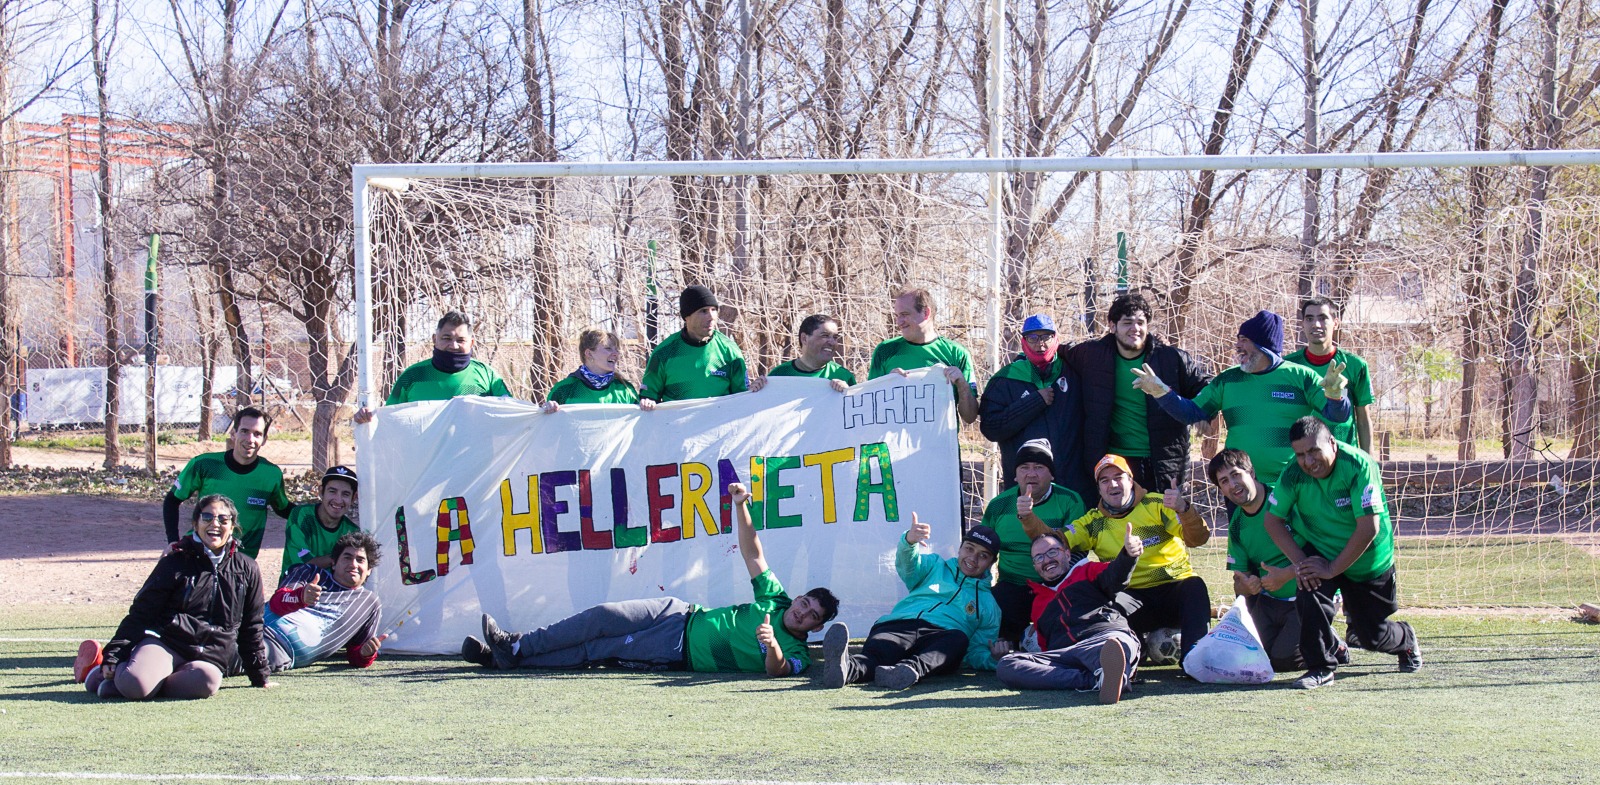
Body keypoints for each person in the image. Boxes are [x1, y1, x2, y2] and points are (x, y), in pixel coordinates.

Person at [463, 482, 837, 675]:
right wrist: (741, 507)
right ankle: (515, 646)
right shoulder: (778, 599)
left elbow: (779, 671)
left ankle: (502, 661)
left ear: (816, 629)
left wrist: (771, 644)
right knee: (602, 615)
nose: (802, 612)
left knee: (597, 650)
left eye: (811, 616)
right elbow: (753, 552)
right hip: (678, 614)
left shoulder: (799, 650)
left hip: (677, 653)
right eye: (805, 603)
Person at [1264, 417, 1420, 689]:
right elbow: (1272, 521)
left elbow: (1368, 527)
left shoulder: (1358, 465)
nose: (1308, 461)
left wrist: (1333, 568)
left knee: (1369, 635)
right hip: (1322, 550)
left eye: (1314, 451)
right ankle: (1320, 667)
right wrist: (1302, 564)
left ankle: (1405, 639)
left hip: (1367, 559)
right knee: (1309, 590)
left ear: (1332, 443)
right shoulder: (1292, 473)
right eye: (1300, 455)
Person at [78, 495, 273, 699]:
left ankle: (119, 684)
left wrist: (260, 675)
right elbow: (142, 612)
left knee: (208, 682)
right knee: (135, 684)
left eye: (223, 520)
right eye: (207, 518)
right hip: (168, 643)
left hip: (209, 655)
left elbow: (252, 626)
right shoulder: (176, 562)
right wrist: (115, 653)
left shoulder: (248, 568)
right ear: (195, 524)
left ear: (232, 527)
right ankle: (110, 674)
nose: (215, 524)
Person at [1133, 309, 1352, 484]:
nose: (1238, 345)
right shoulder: (1228, 379)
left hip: (1292, 484)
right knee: (1245, 540)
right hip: (1241, 486)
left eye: (1244, 339)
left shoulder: (1300, 376)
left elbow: (1337, 415)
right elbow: (1190, 413)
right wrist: (1162, 392)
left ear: (1264, 345)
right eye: (1238, 339)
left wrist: (1336, 396)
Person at [1055, 454, 1211, 664]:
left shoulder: (1157, 504)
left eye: (1118, 477)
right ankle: (1128, 660)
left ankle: (1196, 661)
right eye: (1105, 480)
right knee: (1106, 603)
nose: (1112, 484)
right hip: (1133, 597)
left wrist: (1184, 509)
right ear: (1099, 489)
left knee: (1195, 586)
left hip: (1173, 587)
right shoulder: (1093, 521)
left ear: (1130, 480)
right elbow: (1056, 541)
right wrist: (1028, 518)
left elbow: (1198, 538)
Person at [820, 517, 1004, 690]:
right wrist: (909, 542)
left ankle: (906, 671)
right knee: (876, 655)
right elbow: (908, 566)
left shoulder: (990, 606)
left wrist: (995, 659)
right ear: (960, 548)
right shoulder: (935, 565)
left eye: (983, 556)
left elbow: (976, 651)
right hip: (900, 625)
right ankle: (846, 669)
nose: (972, 558)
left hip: (940, 640)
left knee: (958, 639)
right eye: (969, 549)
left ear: (991, 563)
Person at [1065, 292, 1211, 494]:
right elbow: (1055, 352)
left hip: (1164, 460)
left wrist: (1203, 414)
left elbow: (1208, 389)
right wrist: (1026, 355)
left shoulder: (1172, 359)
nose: (1135, 329)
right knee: (1119, 522)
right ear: (1112, 326)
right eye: (1127, 323)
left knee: (1163, 522)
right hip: (1115, 462)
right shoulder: (1092, 355)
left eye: (1141, 322)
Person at [996, 526, 1144, 704]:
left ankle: (1109, 673)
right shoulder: (1037, 602)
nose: (1047, 560)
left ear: (1067, 554)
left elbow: (1116, 576)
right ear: (1035, 566)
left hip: (1104, 638)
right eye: (1039, 557)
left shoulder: (1087, 571)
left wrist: (1128, 555)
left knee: (1116, 647)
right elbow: (1045, 649)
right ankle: (1098, 679)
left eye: (1052, 552)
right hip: (1066, 656)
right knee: (1007, 665)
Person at [979, 439, 1085, 645]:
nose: (1031, 474)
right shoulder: (998, 505)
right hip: (1012, 585)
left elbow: (1078, 551)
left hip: (1055, 585)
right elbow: (984, 551)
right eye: (1024, 467)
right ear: (1015, 473)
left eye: (1039, 467)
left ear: (1052, 473)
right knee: (989, 627)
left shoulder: (1070, 500)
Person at [1209, 449, 1307, 672]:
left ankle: (1330, 646)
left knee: (1283, 660)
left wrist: (1286, 574)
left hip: (1308, 595)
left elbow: (1323, 551)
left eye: (1236, 474)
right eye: (1224, 481)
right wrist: (1246, 585)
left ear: (1251, 472)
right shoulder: (1237, 525)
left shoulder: (1287, 501)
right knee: (1256, 657)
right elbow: (1239, 582)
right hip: (1271, 602)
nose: (1233, 484)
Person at [162, 406, 290, 559]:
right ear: (233, 434)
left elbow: (284, 509)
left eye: (257, 434)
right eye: (244, 431)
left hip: (242, 559)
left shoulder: (271, 474)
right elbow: (172, 501)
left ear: (264, 440)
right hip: (201, 553)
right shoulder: (204, 464)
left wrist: (318, 510)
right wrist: (173, 541)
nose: (250, 439)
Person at [979, 314, 1084, 494]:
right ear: (1023, 341)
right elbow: (991, 428)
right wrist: (1034, 402)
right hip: (1026, 487)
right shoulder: (1005, 379)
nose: (1040, 343)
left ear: (1056, 338)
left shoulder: (1076, 371)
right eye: (1033, 338)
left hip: (1073, 483)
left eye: (1046, 337)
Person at [353, 311, 512, 422]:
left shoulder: (488, 375)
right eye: (446, 338)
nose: (453, 345)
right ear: (434, 339)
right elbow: (388, 419)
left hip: (476, 465)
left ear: (471, 343)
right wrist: (367, 419)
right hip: (425, 466)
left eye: (461, 340)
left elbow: (509, 411)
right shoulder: (412, 376)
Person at [262, 532, 386, 672]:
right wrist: (300, 597)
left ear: (369, 570)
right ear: (333, 563)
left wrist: (365, 654)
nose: (353, 564)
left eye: (360, 560)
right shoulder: (310, 572)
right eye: (347, 557)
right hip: (254, 626)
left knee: (240, 656)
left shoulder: (369, 603)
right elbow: (276, 603)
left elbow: (355, 655)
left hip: (280, 649)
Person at [867, 288, 979, 425]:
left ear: (926, 313)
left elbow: (970, 417)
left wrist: (962, 385)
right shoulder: (885, 350)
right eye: (897, 315)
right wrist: (888, 385)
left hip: (940, 445)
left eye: (904, 314)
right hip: (895, 445)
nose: (899, 322)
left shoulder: (957, 353)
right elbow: (869, 410)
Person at [1285, 296, 1375, 454]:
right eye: (1310, 319)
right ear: (1302, 324)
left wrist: (1370, 462)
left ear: (1336, 322)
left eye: (1323, 318)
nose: (1316, 324)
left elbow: (1363, 418)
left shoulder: (1355, 365)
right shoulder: (1288, 367)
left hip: (1343, 457)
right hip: (1303, 459)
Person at [639, 285, 755, 403]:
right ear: (687, 317)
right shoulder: (663, 353)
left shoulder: (730, 350)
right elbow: (648, 396)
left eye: (713, 310)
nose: (711, 317)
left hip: (719, 420)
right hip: (677, 421)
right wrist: (648, 401)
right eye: (703, 311)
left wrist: (755, 389)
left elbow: (743, 398)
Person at [542, 328, 656, 410]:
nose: (616, 353)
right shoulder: (564, 389)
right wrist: (547, 409)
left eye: (616, 349)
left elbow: (639, 428)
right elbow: (547, 428)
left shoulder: (624, 389)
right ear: (589, 353)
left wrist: (646, 407)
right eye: (608, 348)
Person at [279, 466, 359, 582]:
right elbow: (305, 564)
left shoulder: (352, 531)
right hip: (295, 587)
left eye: (345, 494)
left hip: (332, 593)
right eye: (332, 491)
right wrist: (339, 558)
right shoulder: (301, 515)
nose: (338, 500)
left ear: (353, 498)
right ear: (321, 492)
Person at [762, 314, 856, 392]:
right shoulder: (779, 375)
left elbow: (858, 409)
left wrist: (848, 393)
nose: (832, 342)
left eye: (835, 337)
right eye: (825, 336)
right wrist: (756, 390)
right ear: (804, 338)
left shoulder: (843, 375)